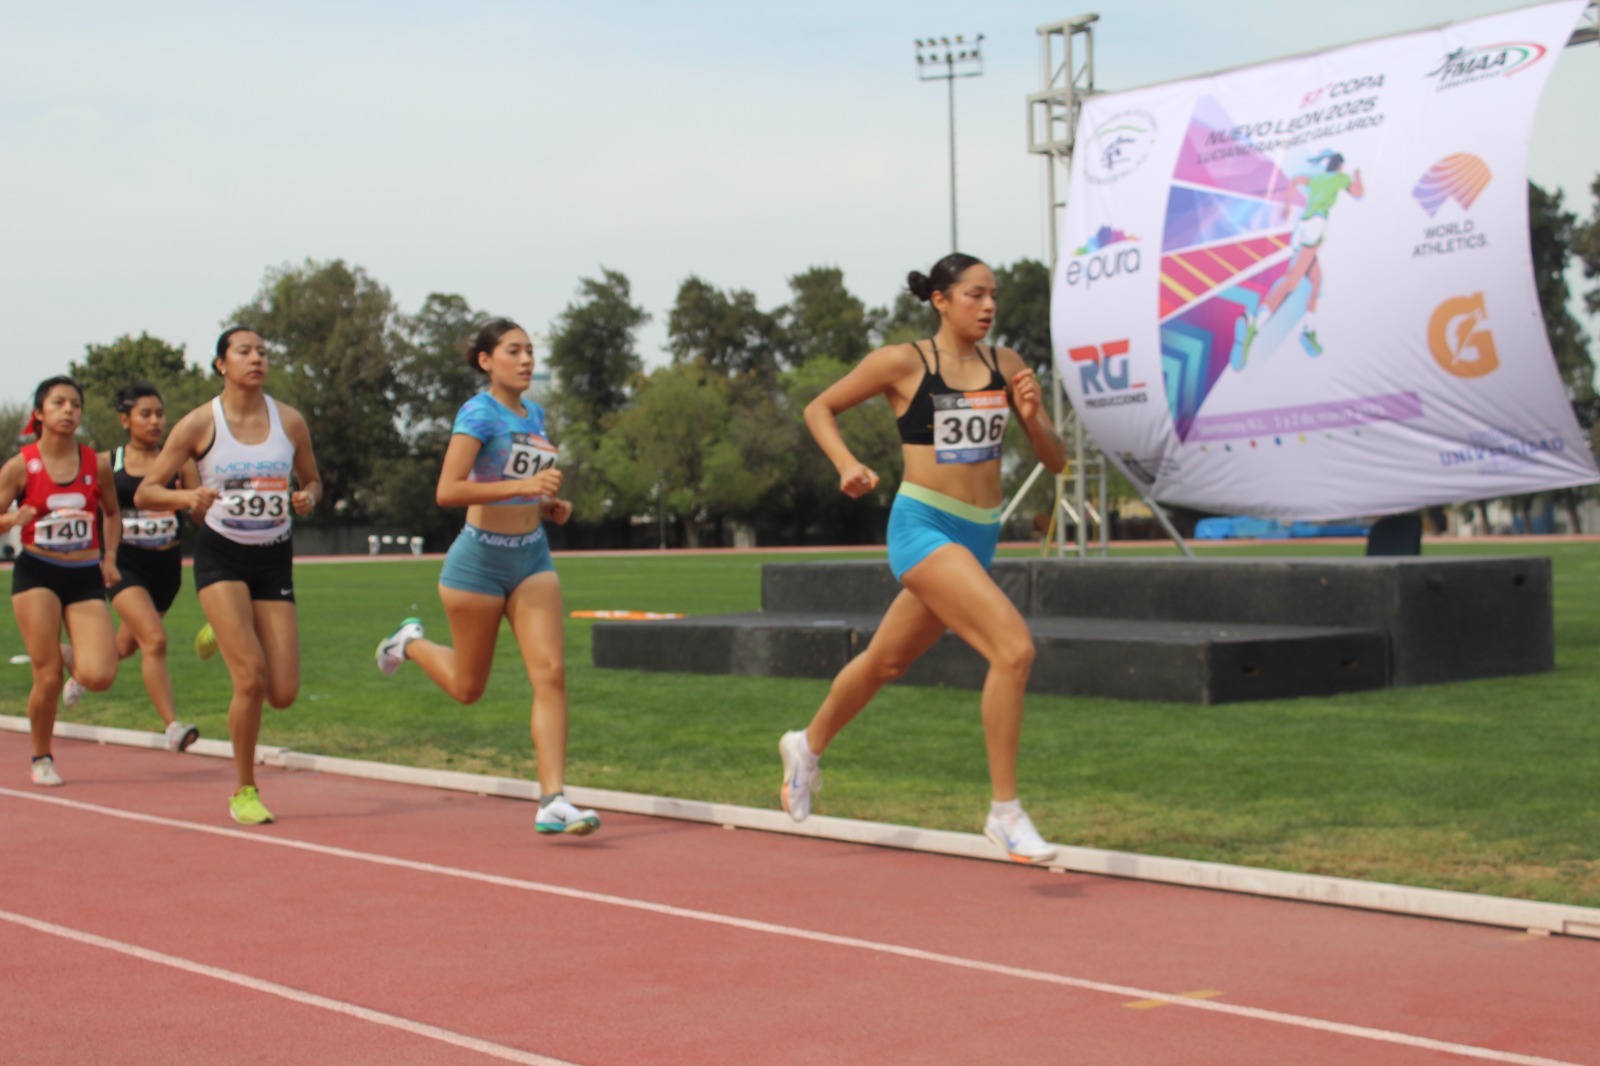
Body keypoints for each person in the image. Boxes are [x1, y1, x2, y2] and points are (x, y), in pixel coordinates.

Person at [778, 253, 1068, 864]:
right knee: (1013, 649)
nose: (988, 306)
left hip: (979, 536)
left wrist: (1036, 417)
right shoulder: (903, 362)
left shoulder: (1008, 365)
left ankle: (806, 745)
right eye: (974, 295)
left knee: (884, 663)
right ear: (940, 299)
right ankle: (1005, 813)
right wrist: (847, 465)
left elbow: (1056, 460)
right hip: (923, 527)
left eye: (994, 296)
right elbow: (818, 408)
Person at [374, 318, 599, 836]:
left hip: (532, 558)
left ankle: (553, 800)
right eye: (513, 351)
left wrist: (547, 505)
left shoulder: (535, 413)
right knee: (468, 688)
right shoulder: (476, 413)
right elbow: (449, 491)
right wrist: (524, 483)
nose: (526, 360)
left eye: (530, 351)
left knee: (552, 674)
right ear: (486, 361)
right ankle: (409, 643)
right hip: (478, 562)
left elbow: (521, 488)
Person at [136, 327, 322, 825]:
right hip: (221, 557)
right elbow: (146, 492)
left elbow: (313, 480)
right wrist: (185, 498)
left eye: (263, 351)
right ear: (222, 364)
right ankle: (244, 788)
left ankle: (223, 626)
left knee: (283, 692)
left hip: (273, 557)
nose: (256, 359)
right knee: (252, 678)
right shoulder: (200, 424)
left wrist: (308, 497)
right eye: (244, 352)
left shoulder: (291, 422)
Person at [60, 382, 206, 752]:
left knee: (123, 648)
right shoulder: (109, 464)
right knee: (154, 640)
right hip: (124, 565)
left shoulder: (180, 462)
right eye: (146, 414)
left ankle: (74, 664)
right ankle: (172, 726)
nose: (155, 421)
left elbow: (201, 517)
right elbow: (94, 513)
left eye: (160, 413)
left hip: (166, 569)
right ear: (125, 420)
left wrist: (204, 502)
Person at [0, 377, 122, 786]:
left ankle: (72, 654)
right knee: (46, 673)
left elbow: (111, 512)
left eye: (75, 404)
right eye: (59, 403)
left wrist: (109, 558)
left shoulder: (95, 463)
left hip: (84, 573)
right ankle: (41, 757)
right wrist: (12, 520)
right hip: (38, 572)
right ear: (39, 413)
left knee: (101, 674)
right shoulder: (21, 466)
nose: (69, 410)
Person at [1241, 149, 1364, 364]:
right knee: (1292, 281)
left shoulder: (1316, 178)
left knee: (1316, 281)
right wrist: (1357, 177)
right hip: (1315, 226)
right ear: (1340, 167)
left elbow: (1294, 181)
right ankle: (1256, 321)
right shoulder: (1340, 178)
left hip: (1303, 227)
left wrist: (1287, 206)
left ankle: (1308, 329)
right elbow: (1358, 193)